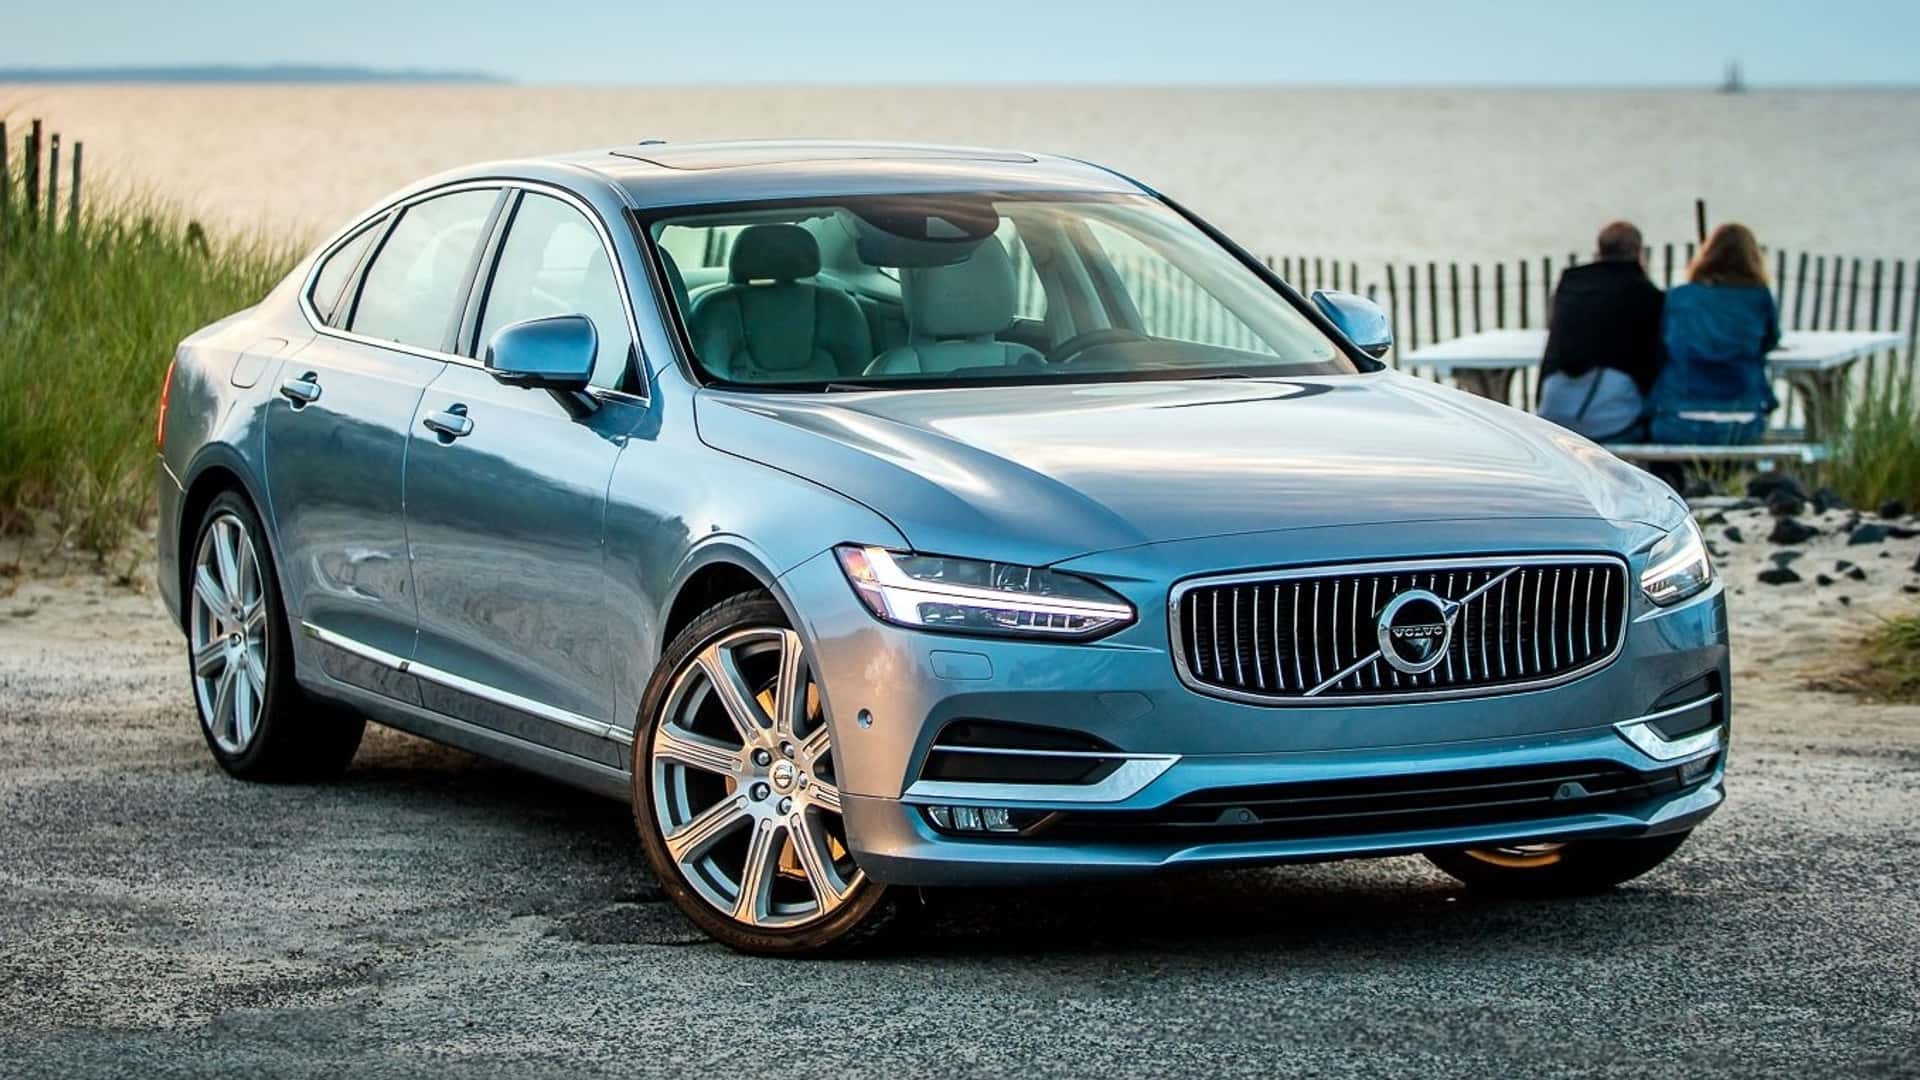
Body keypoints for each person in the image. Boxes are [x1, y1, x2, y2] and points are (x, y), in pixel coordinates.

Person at [1648, 223, 1781, 445]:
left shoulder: (1679, 297)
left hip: (1678, 418)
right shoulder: (1758, 298)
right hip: (1743, 420)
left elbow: (1663, 342)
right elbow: (1770, 341)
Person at [1538, 221, 1665, 442]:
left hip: (1553, 411)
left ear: (1599, 251)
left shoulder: (1570, 284)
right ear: (1638, 252)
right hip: (1609, 421)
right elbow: (1652, 361)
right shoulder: (1645, 294)